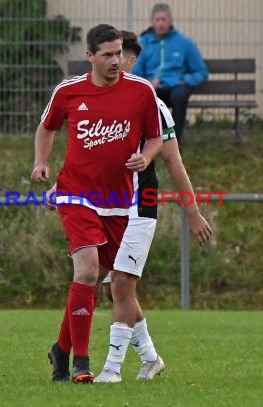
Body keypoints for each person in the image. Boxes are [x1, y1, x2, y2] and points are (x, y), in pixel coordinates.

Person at [31, 24, 163, 384]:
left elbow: (155, 138)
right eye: (107, 54)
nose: (115, 60)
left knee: (109, 285)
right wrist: (41, 163)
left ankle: (61, 348)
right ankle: (81, 363)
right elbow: (47, 127)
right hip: (74, 194)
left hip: (119, 203)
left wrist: (146, 158)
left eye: (119, 52)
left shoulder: (140, 92)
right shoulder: (70, 91)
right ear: (90, 56)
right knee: (87, 271)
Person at [93, 30, 213, 383]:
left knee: (123, 282)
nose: (119, 64)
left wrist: (191, 211)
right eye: (112, 56)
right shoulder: (105, 103)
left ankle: (112, 368)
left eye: (124, 57)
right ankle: (150, 358)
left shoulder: (152, 105)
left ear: (131, 60)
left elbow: (174, 162)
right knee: (114, 287)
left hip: (139, 207)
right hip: (106, 207)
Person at [133, 3, 208, 147]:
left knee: (180, 96)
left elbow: (201, 72)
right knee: (143, 98)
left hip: (176, 88)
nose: (160, 23)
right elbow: (136, 73)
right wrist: (147, 82)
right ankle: (145, 144)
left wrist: (184, 79)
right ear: (152, 22)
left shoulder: (185, 43)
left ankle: (172, 143)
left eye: (164, 19)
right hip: (153, 88)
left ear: (170, 21)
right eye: (157, 20)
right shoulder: (143, 43)